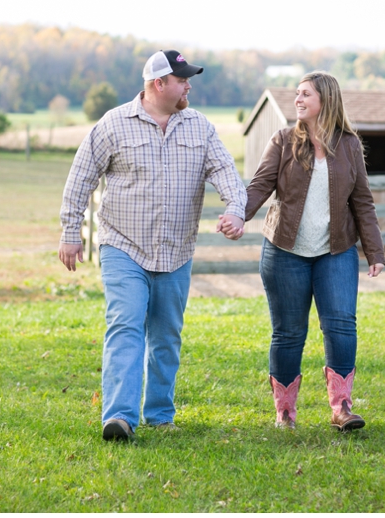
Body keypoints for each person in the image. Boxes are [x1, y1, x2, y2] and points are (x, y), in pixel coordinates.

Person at [59, 50, 246, 441]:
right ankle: (120, 417)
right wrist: (70, 232)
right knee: (125, 325)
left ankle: (159, 414)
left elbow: (226, 171)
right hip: (123, 246)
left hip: (175, 251)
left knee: (166, 335)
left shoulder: (200, 127)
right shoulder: (114, 124)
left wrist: (236, 209)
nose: (188, 85)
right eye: (181, 80)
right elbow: (81, 177)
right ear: (159, 83)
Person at [218, 71, 385, 432]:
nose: (298, 99)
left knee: (341, 326)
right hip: (285, 252)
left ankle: (341, 407)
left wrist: (374, 251)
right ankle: (285, 414)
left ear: (325, 99)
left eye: (305, 94)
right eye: (296, 93)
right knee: (289, 333)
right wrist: (237, 215)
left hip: (336, 251)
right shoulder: (282, 141)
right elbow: (259, 186)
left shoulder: (350, 146)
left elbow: (363, 202)